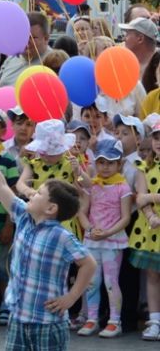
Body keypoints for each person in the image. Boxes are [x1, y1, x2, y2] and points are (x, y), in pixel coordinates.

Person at [0, 132, 95, 351]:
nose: (32, 195)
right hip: (18, 317)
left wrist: (72, 297)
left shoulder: (61, 236)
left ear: (50, 209)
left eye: (38, 194)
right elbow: (0, 185)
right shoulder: (23, 217)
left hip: (48, 322)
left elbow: (89, 263)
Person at [76, 135, 132, 338]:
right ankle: (92, 319)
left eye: (110, 163)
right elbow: (82, 211)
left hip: (112, 242)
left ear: (119, 164)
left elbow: (125, 217)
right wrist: (89, 230)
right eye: (101, 162)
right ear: (95, 162)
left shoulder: (123, 187)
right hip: (92, 240)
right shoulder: (93, 185)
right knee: (91, 281)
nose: (105, 167)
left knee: (111, 282)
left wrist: (108, 233)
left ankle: (114, 321)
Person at [130, 122, 160, 340]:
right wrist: (150, 215)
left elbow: (145, 196)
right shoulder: (144, 167)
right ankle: (155, 320)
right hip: (152, 227)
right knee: (152, 275)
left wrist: (152, 197)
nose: (159, 142)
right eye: (157, 138)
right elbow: (140, 197)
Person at [0, 12, 51, 87]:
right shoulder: (11, 59)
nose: (25, 41)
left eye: (31, 38)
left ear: (46, 39)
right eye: (22, 36)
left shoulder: (54, 62)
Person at [119, 16, 160, 94]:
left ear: (140, 39)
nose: (124, 38)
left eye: (127, 34)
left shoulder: (157, 63)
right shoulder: (125, 63)